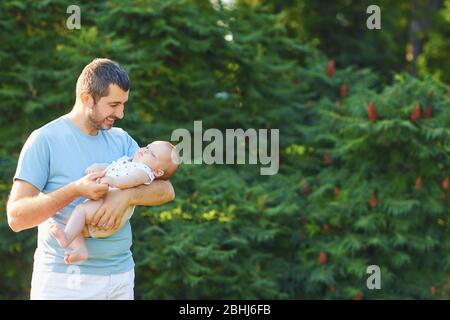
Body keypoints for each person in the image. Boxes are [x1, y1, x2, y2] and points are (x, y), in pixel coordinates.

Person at [6, 58, 176, 300]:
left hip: (120, 276)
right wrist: (75, 190)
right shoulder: (44, 140)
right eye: (114, 104)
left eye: (123, 105)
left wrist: (127, 194)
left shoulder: (122, 140)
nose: (121, 113)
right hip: (64, 282)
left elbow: (165, 189)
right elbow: (17, 218)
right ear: (87, 98)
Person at [50, 141, 179, 264]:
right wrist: (99, 168)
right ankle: (80, 249)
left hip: (108, 214)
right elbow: (111, 167)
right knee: (72, 216)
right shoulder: (128, 161)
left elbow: (131, 180)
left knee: (79, 210)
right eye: (147, 147)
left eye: (152, 154)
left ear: (157, 172)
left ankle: (67, 238)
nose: (145, 151)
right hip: (100, 204)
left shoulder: (143, 171)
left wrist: (113, 181)